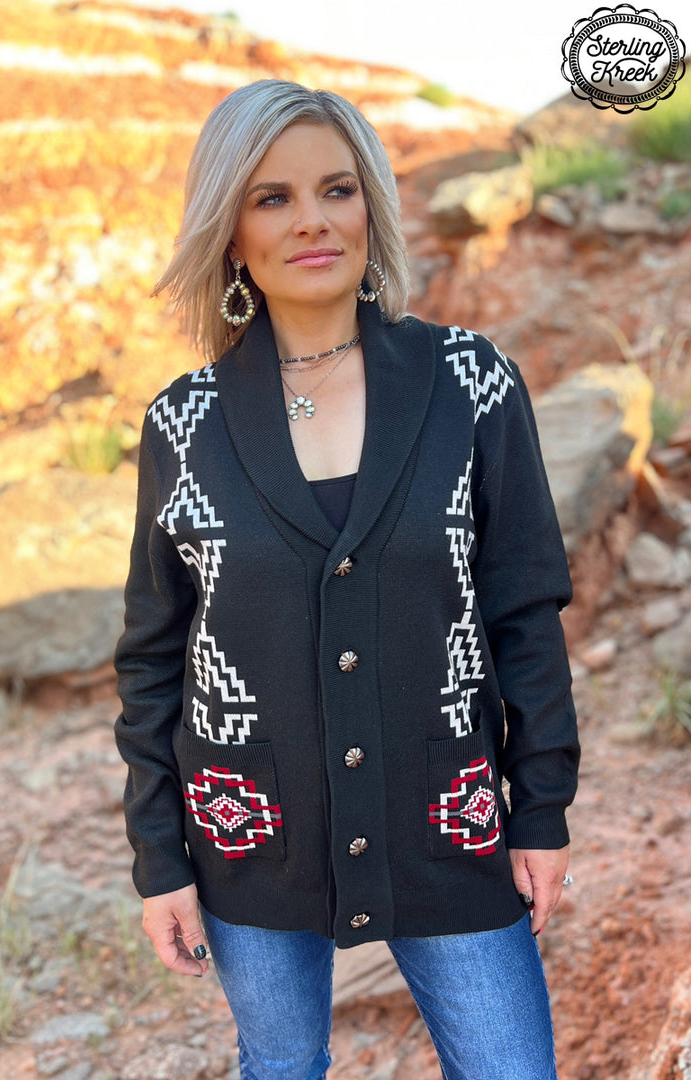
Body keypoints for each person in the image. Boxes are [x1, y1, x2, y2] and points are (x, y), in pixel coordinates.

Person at [114, 79, 580, 1080]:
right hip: (250, 836)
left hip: (447, 823)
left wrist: (540, 807)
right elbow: (155, 658)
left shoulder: (470, 383)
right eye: (272, 198)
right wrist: (160, 858)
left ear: (372, 203)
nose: (313, 220)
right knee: (281, 1066)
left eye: (337, 188)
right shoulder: (184, 424)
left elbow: (525, 614)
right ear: (230, 231)